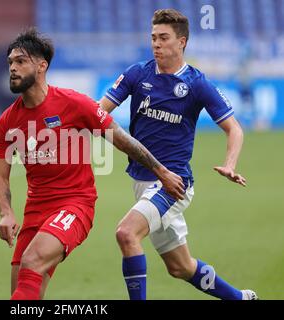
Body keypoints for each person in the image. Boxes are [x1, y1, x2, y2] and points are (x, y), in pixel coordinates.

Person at [0, 28, 184, 300]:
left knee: (32, 261)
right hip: (35, 211)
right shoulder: (8, 122)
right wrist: (5, 212)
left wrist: (162, 173)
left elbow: (123, 140)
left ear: (41, 65)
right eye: (10, 62)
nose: (13, 67)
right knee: (22, 293)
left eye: (20, 61)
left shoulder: (74, 103)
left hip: (75, 204)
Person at [99, 9, 258, 300]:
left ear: (182, 42)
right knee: (181, 267)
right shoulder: (138, 74)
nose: (156, 44)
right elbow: (100, 112)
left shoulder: (197, 83)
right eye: (153, 38)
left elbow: (234, 129)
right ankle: (240, 298)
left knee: (126, 233)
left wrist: (229, 164)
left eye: (163, 38)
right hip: (143, 182)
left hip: (173, 184)